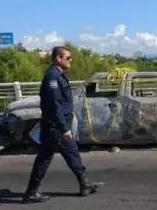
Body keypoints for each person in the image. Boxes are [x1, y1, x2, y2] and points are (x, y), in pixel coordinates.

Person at [20, 46, 100, 204]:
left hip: (58, 124)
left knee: (60, 156)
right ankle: (31, 193)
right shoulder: (52, 77)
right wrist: (64, 128)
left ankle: (84, 184)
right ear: (58, 58)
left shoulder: (58, 75)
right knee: (58, 156)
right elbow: (55, 105)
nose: (71, 60)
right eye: (68, 58)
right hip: (56, 126)